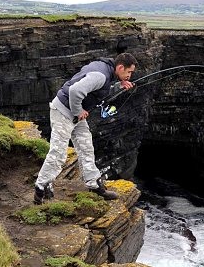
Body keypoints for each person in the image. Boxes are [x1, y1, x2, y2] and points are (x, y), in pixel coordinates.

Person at [34, 52, 138, 204]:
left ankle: (94, 184)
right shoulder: (101, 75)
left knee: (86, 147)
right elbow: (75, 91)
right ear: (121, 67)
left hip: (74, 114)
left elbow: (99, 89)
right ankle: (40, 187)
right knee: (58, 153)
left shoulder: (105, 70)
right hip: (63, 112)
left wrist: (118, 86)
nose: (130, 75)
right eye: (129, 72)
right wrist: (78, 111)